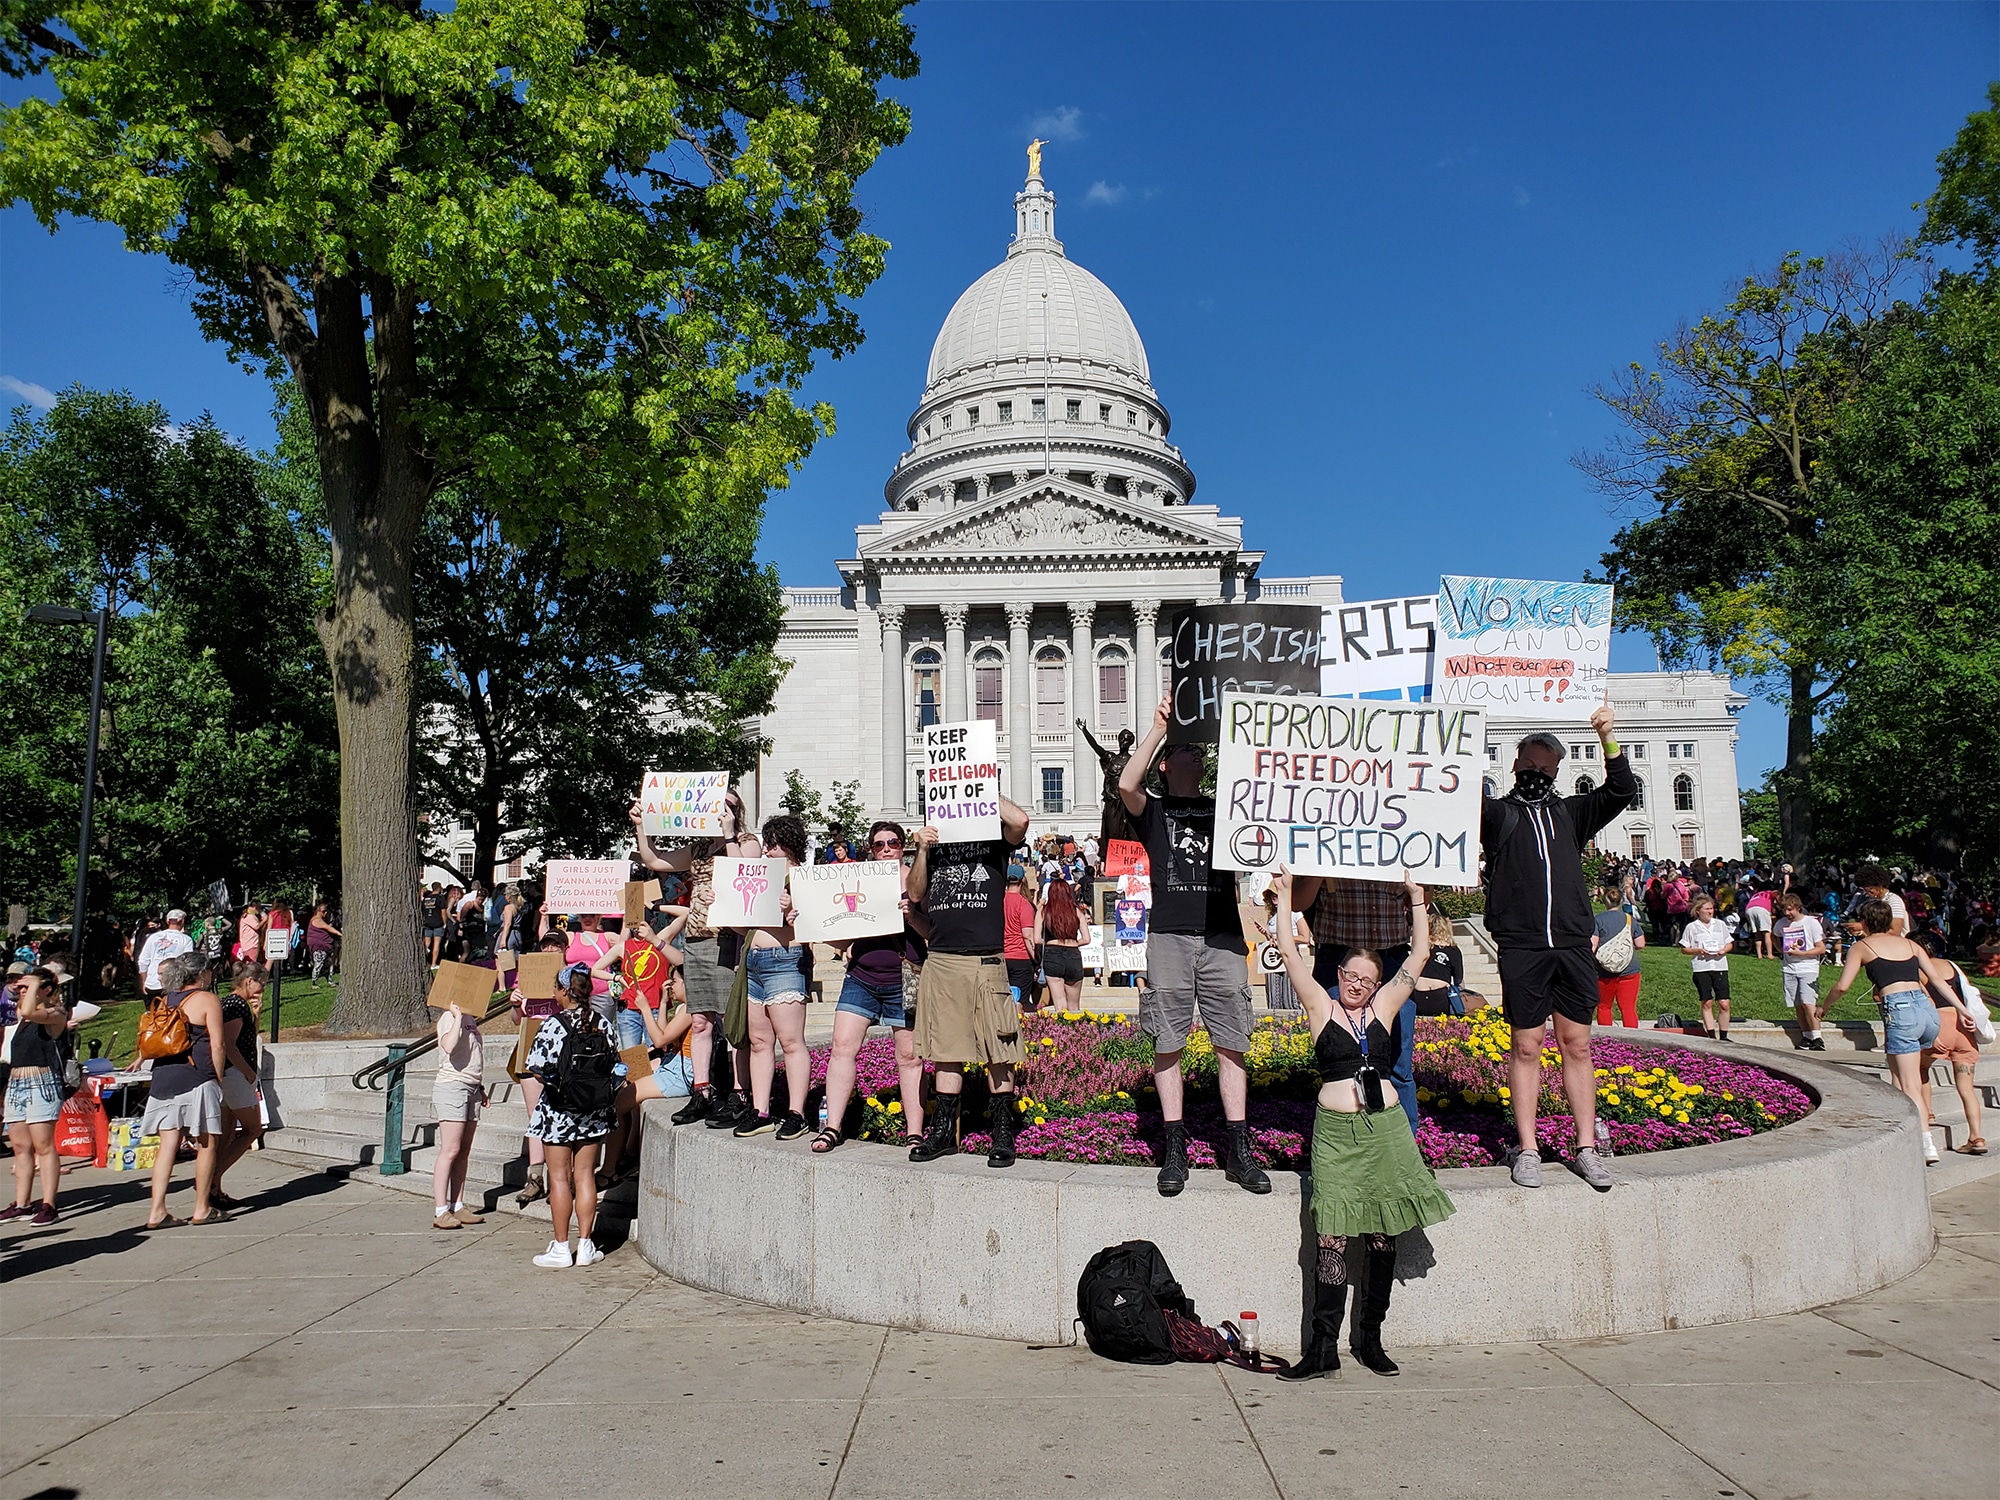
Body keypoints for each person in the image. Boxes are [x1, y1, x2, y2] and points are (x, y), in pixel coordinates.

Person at [1269, 869, 1454, 1380]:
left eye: (1365, 979)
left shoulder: (1385, 1010)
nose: (1355, 984)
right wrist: (1285, 900)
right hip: (1335, 1136)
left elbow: (1417, 958)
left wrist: (1417, 900)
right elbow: (1288, 953)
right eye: (1349, 975)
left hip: (1385, 1134)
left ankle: (1370, 1337)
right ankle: (1323, 1346)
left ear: (1377, 984)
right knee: (1329, 1239)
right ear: (1339, 975)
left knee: (1381, 1236)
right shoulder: (1320, 1007)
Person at [1119, 691, 1269, 1196]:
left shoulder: (1224, 807)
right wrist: (1161, 724)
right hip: (1169, 938)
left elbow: (1262, 786)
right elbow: (1125, 782)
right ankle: (1175, 1148)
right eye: (1188, 750)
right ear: (1166, 763)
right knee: (1168, 1041)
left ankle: (1237, 1148)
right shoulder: (1154, 812)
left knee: (1232, 1042)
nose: (1198, 755)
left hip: (1224, 936)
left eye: (1200, 751)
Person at [1480, 707, 1633, 1192]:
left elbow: (1622, 790)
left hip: (1570, 943)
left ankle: (1586, 1146)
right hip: (1522, 945)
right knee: (1526, 1046)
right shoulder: (1497, 814)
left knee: (1578, 1045)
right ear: (1514, 765)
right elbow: (1447, 796)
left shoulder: (1571, 813)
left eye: (1546, 769)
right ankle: (1527, 1148)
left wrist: (1606, 736)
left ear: (1558, 772)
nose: (1536, 775)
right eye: (1530, 766)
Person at [905, 792, 1033, 1167]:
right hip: (942, 960)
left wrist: (979, 785)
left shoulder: (992, 837)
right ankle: (944, 1132)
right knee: (946, 1051)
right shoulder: (935, 844)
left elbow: (1021, 821)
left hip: (985, 959)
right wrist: (923, 850)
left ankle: (1003, 1135)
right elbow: (915, 893)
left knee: (999, 1049)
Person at [629, 790, 760, 1127]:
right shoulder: (699, 848)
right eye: (717, 805)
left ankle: (739, 1093)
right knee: (699, 1020)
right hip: (698, 938)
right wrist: (641, 827)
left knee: (731, 1022)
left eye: (729, 806)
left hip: (730, 937)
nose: (722, 810)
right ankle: (701, 1090)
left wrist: (729, 834)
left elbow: (743, 873)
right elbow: (656, 861)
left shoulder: (747, 842)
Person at [817, 821, 928, 1153]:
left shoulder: (916, 880)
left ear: (902, 845)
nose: (886, 849)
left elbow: (931, 933)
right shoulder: (856, 879)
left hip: (907, 976)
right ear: (870, 849)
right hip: (861, 976)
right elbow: (841, 937)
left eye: (892, 843)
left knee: (910, 1057)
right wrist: (808, 922)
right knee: (841, 1048)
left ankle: (914, 1133)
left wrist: (911, 915)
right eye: (879, 845)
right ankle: (832, 1127)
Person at [522, 964, 614, 1266]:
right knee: (585, 1175)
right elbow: (615, 1065)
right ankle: (586, 1244)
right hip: (594, 1111)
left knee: (559, 1178)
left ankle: (561, 1247)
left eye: (556, 988)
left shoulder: (553, 1024)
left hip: (559, 1111)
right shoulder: (602, 1022)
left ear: (564, 991)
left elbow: (536, 1068)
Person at [732, 815, 815, 1140]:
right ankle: (761, 1110)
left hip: (785, 960)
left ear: (789, 845)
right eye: (766, 843)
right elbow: (746, 926)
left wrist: (795, 910)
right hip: (755, 960)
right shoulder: (762, 878)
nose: (767, 850)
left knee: (791, 1042)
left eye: (773, 844)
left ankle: (796, 1113)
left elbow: (815, 927)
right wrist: (723, 907)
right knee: (760, 1042)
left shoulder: (803, 879)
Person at [140, 955, 238, 1227]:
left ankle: (157, 1210)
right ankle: (201, 1207)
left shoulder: (165, 999)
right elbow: (218, 1045)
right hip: (197, 1076)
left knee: (168, 1145)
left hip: (163, 1075)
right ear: (203, 974)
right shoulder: (207, 999)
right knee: (206, 1143)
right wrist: (217, 1078)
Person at [1, 968, 75, 1225]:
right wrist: (26, 986)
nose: (22, 992)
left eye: (28, 988)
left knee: (44, 1145)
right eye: (21, 989)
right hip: (17, 1082)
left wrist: (34, 985)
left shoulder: (55, 1014)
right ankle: (22, 1203)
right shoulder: (22, 1021)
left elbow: (30, 1010)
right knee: (21, 1146)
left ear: (46, 990)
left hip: (42, 1082)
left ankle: (49, 1204)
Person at [510, 931, 571, 1208]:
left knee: (563, 1112)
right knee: (535, 1116)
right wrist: (515, 1004)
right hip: (531, 1041)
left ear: (564, 950)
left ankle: (563, 1178)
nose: (549, 949)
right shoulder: (527, 975)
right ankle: (535, 1176)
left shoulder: (571, 977)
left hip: (560, 1045)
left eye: (555, 945)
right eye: (546, 945)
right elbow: (516, 1020)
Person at [1915, 935, 1986, 1157]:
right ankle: (1976, 1137)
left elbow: (1923, 998)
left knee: (1920, 1068)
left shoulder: (1918, 968)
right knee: (1967, 1089)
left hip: (1939, 1025)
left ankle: (1927, 1113)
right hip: (1963, 1028)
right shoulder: (1953, 966)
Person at [209, 961, 268, 1210]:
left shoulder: (234, 1004)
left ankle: (215, 1186)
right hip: (235, 1075)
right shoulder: (234, 1004)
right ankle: (210, 1179)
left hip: (231, 1075)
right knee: (253, 1128)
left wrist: (255, 1015)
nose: (261, 989)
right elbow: (230, 1043)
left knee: (227, 1132)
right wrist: (246, 1072)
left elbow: (248, 1035)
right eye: (260, 984)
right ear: (248, 981)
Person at [431, 996, 487, 1227]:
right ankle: (440, 1209)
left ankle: (458, 1204)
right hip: (452, 1086)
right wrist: (455, 1017)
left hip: (471, 1087)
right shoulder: (448, 1018)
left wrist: (480, 1088)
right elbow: (449, 1046)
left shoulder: (471, 1019)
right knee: (450, 1149)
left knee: (463, 1150)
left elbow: (472, 1056)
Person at [1776, 892, 1828, 1049]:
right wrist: (1781, 950)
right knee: (1797, 1003)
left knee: (1808, 1002)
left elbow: (1821, 948)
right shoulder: (1781, 924)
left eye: (1790, 909)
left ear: (1798, 908)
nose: (1787, 913)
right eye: (1784, 910)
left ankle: (1817, 1036)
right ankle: (1806, 1035)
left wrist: (1802, 953)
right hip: (1789, 968)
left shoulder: (1811, 923)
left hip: (1808, 968)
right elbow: (1774, 936)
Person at [1411, 909, 1485, 1017]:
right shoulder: (1453, 950)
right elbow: (1458, 980)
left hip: (1417, 997)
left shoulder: (1421, 947)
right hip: (1440, 998)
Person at [1680, 896, 1734, 1040]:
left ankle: (1724, 1035)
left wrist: (1724, 950)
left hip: (1719, 966)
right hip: (1701, 967)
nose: (1711, 912)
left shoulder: (1720, 924)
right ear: (1698, 911)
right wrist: (1698, 950)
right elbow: (1684, 948)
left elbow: (1729, 943)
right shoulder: (1692, 927)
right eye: (1707, 909)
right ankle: (1711, 1034)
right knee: (1707, 1001)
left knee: (1724, 1002)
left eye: (1712, 908)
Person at [1591, 884, 1644, 1029]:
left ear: (1604, 901)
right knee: (1628, 1008)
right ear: (1621, 901)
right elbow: (1640, 944)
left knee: (1604, 1007)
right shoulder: (1629, 919)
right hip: (1629, 969)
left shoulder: (1597, 920)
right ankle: (1633, 1041)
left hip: (1604, 971)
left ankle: (1607, 1040)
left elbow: (1592, 945)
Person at [1037, 877, 1087, 1010]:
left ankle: (1061, 1030)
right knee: (1074, 1006)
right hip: (1073, 954)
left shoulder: (1043, 911)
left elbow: (1036, 939)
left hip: (1052, 954)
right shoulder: (1076, 911)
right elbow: (1087, 939)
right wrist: (1073, 942)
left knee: (1059, 1004)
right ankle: (1077, 1030)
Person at [1003, 866, 1040, 1010]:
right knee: (1020, 1002)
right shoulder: (1024, 905)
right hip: (1021, 958)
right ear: (1023, 880)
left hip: (1002, 957)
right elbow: (1028, 936)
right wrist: (1037, 960)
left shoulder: (998, 902)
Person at [135, 910, 192, 1001]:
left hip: (153, 983)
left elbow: (142, 961)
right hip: (174, 983)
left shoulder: (153, 937)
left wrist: (144, 981)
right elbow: (187, 962)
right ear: (182, 921)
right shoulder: (185, 939)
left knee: (154, 1013)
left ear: (167, 921)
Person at [305, 902, 341, 984]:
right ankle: (314, 982)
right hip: (319, 946)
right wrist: (340, 934)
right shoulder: (316, 920)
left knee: (327, 965)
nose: (326, 913)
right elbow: (328, 928)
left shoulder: (321, 920)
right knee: (319, 964)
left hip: (326, 946)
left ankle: (330, 980)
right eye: (324, 911)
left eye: (326, 911)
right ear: (318, 911)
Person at [1743, 884, 1776, 960]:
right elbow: (1776, 893)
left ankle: (1759, 955)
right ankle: (1769, 954)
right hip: (1762, 909)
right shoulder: (1768, 892)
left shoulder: (1755, 895)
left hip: (1749, 909)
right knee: (1767, 933)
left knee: (1757, 933)